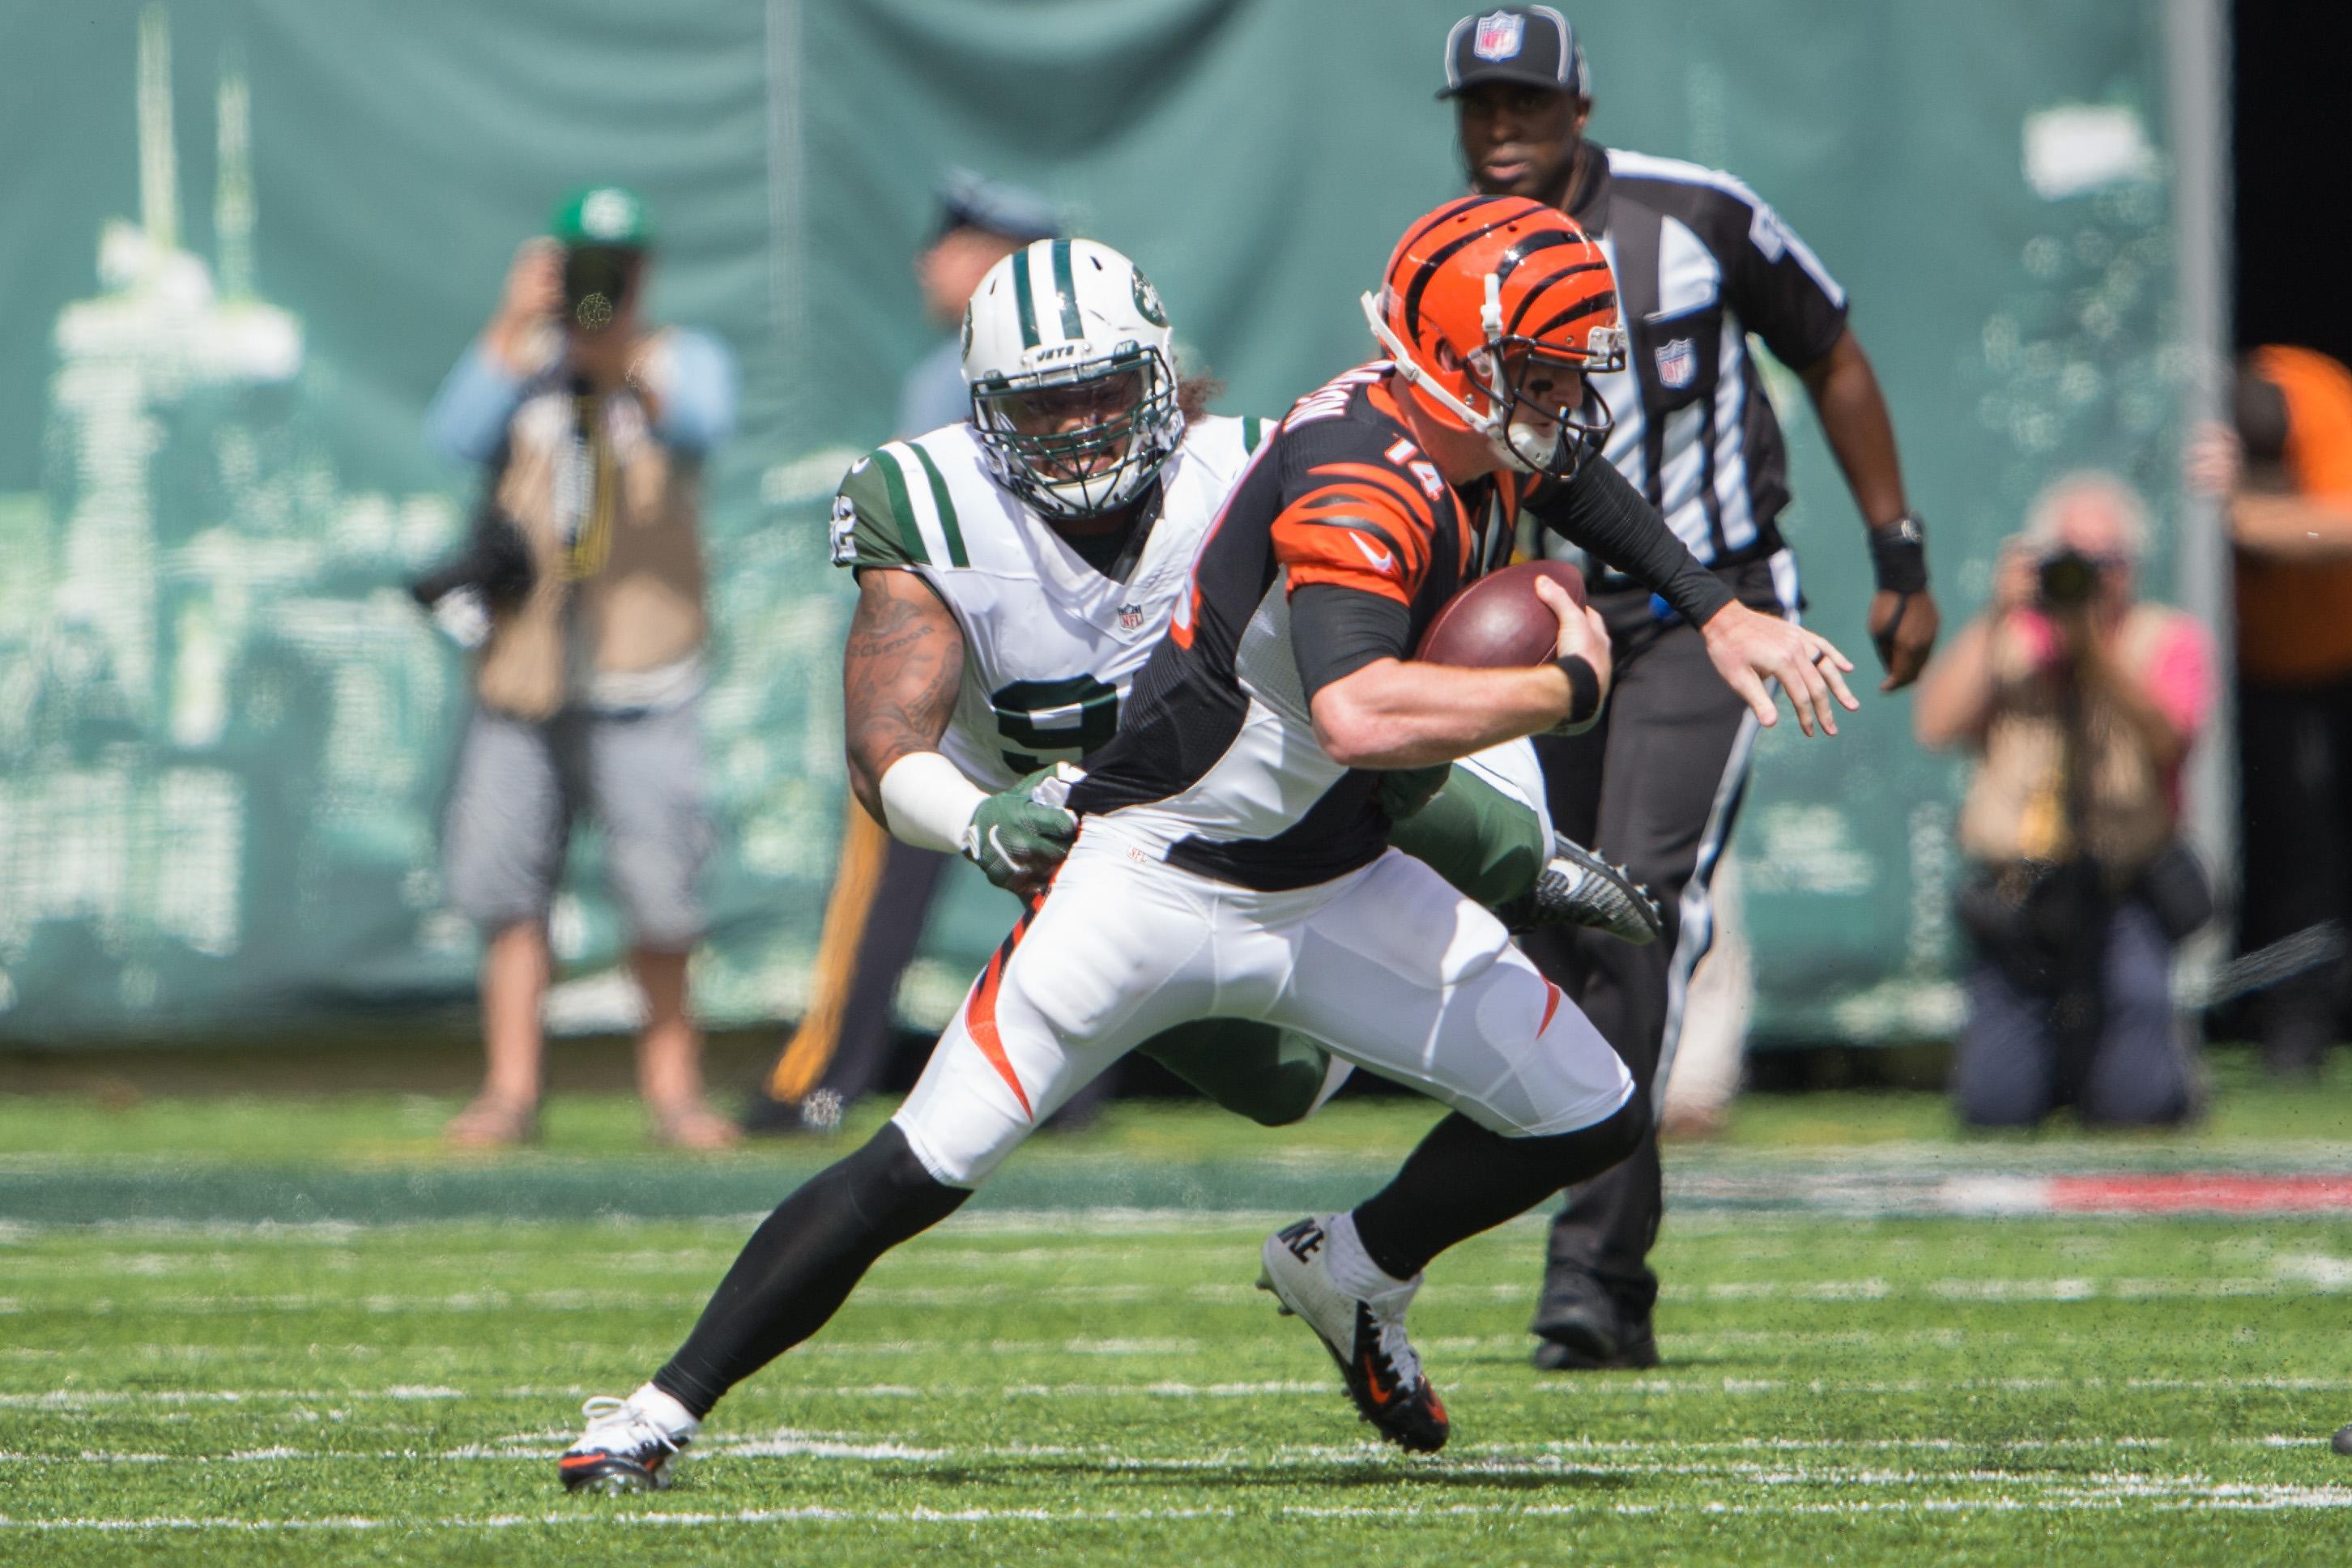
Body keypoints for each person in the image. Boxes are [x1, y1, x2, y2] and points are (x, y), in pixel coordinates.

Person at [552, 198, 1854, 1492]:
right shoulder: (998, 493)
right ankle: (654, 1412)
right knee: (922, 1164)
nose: (1077, 427)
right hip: (1138, 876)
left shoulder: (1312, 449)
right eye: (1040, 403)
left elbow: (1544, 484)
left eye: (1103, 393)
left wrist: (1712, 618)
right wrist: (1569, 692)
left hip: (1337, 877)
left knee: (1593, 1109)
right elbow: (1343, 711)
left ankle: (1350, 1271)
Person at [1433, 5, 1941, 1371]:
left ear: (1576, 108)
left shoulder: (1694, 217)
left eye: (1523, 105)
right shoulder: (1451, 260)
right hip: (1539, 629)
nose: (1499, 133)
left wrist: (1894, 551)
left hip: (1706, 621)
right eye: (1478, 110)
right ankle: (1573, 1255)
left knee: (1632, 905)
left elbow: (1828, 346)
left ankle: (1590, 1275)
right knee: (1542, 923)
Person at [415, 186, 740, 1150]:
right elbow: (453, 435)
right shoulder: (524, 367)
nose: (600, 289)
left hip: (646, 678)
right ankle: (510, 1091)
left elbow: (704, 428)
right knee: (508, 888)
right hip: (527, 676)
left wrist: (623, 365)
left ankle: (674, 1094)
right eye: (583, 267)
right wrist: (516, 320)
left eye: (617, 270)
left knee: (660, 892)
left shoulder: (680, 360)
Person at [746, 171, 1066, 1135]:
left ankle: (826, 1074)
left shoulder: (957, 372)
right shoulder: (1090, 365)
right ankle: (1072, 1084)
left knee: (888, 856)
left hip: (962, 665)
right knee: (1078, 863)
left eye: (959, 241)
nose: (931, 261)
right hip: (1063, 655)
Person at [1913, 473, 2213, 1128]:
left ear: (2132, 568)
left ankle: (2156, 1071)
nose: (2091, 578)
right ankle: (2057, 1072)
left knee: (2140, 1108)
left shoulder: (2169, 639)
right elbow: (1936, 726)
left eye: (2107, 562)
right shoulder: (2008, 639)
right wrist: (1998, 614)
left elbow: (2171, 739)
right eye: (2072, 561)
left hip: (2123, 890)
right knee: (1994, 1110)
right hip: (2019, 893)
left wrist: (2092, 651)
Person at [2193, 348, 2352, 1077]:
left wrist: (2239, 510)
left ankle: (2303, 1017)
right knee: (2265, 850)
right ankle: (2266, 1013)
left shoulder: (2318, 397)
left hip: (2328, 666)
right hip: (2235, 675)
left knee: (2312, 852)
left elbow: (2340, 527)